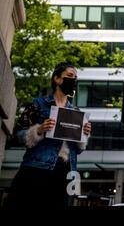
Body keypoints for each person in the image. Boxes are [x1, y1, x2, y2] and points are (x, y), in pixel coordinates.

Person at [5, 62, 91, 207]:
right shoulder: (38, 104)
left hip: (65, 171)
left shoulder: (76, 112)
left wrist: (84, 135)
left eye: (75, 77)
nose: (73, 80)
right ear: (57, 79)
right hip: (36, 169)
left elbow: (79, 150)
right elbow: (17, 135)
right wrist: (39, 130)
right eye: (69, 76)